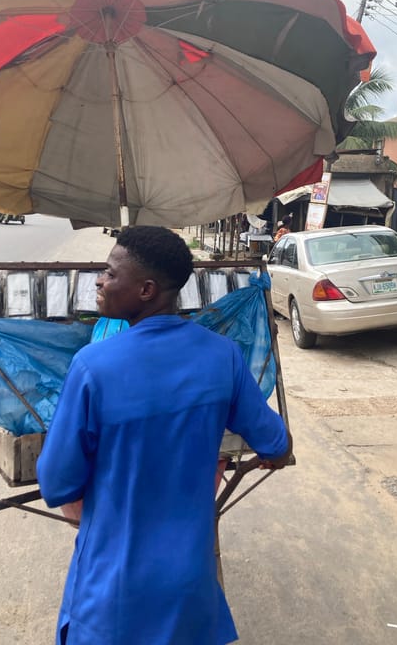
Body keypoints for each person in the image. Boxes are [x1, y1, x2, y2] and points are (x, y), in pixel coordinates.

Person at [37, 226, 292, 645]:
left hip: (113, 594)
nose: (99, 281)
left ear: (146, 289)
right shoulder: (222, 355)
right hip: (189, 589)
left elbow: (57, 481)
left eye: (109, 273)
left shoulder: (92, 367)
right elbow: (276, 443)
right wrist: (274, 454)